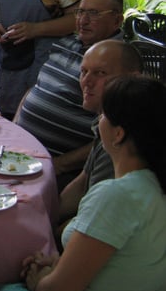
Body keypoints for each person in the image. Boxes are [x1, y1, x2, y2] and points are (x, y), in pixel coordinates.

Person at [6, 75, 166, 291]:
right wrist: (58, 266)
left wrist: (39, 280)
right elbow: (119, 266)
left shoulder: (117, 196)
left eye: (102, 116)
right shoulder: (152, 185)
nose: (98, 122)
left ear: (118, 134)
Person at [15, 0, 124, 187]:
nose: (83, 20)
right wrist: (14, 130)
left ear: (117, 20)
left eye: (94, 13)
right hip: (20, 151)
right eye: (81, 12)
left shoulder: (119, 62)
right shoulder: (65, 43)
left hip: (58, 168)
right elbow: (36, 88)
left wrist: (60, 165)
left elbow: (111, 136)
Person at [56, 40, 142, 236]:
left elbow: (95, 220)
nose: (87, 81)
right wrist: (46, 215)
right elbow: (81, 183)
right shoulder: (105, 122)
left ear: (133, 79)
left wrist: (48, 232)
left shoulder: (123, 138)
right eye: (84, 72)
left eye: (100, 73)